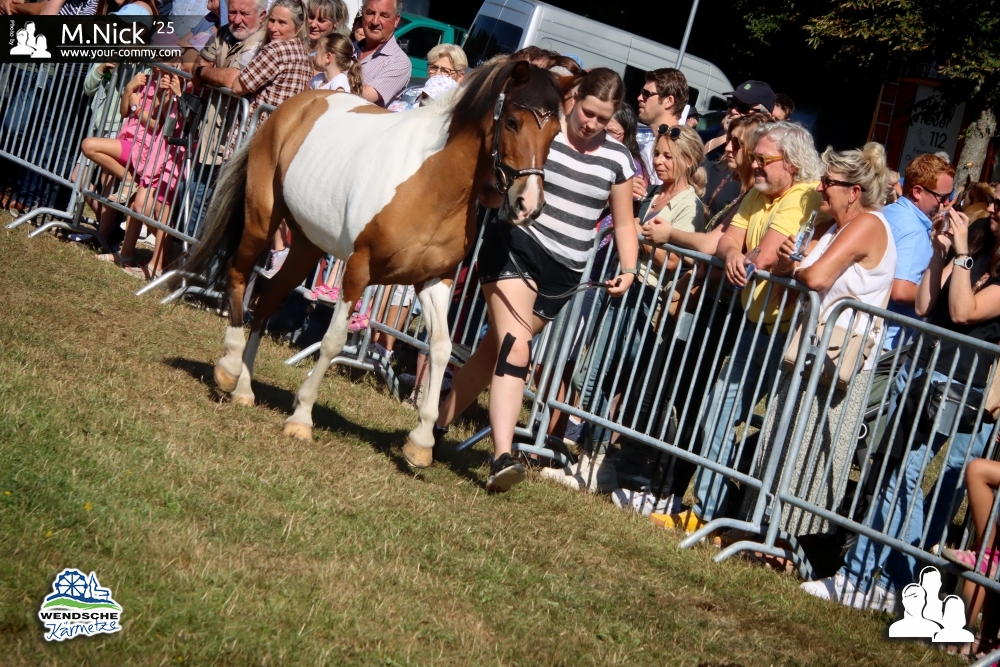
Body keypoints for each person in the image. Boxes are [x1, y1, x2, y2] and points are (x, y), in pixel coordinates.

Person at [433, 68, 640, 493]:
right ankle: (502, 457)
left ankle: (433, 427)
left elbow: (623, 222)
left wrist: (629, 268)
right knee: (517, 347)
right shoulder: (547, 132)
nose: (592, 124)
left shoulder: (619, 159)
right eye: (587, 112)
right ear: (574, 98)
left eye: (603, 119)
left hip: (565, 272)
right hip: (516, 245)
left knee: (494, 352)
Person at [801, 188, 1000, 612]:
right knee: (892, 468)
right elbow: (928, 305)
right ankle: (889, 582)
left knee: (903, 474)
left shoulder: (981, 256)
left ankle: (877, 580)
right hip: (922, 366)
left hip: (955, 383)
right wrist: (939, 254)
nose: (991, 208)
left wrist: (962, 255)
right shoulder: (981, 241)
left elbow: (963, 312)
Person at [654, 121, 824, 533]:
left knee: (741, 418)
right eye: (756, 157)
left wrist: (743, 254)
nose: (756, 165)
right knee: (717, 409)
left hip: (787, 333)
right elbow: (727, 241)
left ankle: (723, 513)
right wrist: (733, 255)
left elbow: (764, 256)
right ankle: (713, 510)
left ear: (792, 163)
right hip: (756, 323)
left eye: (764, 159)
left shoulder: (803, 196)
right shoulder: (759, 192)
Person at [546, 124, 706, 494]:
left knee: (597, 377)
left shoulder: (690, 205)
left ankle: (598, 463)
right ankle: (593, 461)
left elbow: (673, 262)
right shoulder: (654, 194)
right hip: (620, 285)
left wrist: (635, 232)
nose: (659, 161)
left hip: (644, 299)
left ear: (688, 161)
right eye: (658, 154)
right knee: (589, 376)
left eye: (668, 156)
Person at [750, 143, 896, 537]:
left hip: (840, 362)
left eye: (829, 182)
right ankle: (761, 528)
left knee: (809, 451)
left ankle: (790, 542)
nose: (820, 188)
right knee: (781, 438)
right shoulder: (832, 226)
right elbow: (798, 269)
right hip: (810, 348)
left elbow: (815, 277)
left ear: (854, 192)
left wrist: (797, 268)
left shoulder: (869, 224)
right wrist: (789, 263)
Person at [881, 154, 956, 351]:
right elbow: (902, 291)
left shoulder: (889, 211)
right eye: (942, 198)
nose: (946, 204)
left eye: (950, 197)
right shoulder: (915, 232)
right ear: (917, 192)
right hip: (888, 345)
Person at [354, 0, 412, 107]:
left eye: (384, 16)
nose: (375, 22)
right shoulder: (348, 48)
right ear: (363, 14)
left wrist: (331, 84)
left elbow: (362, 96)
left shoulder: (399, 62)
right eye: (370, 13)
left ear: (396, 20)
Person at [636, 68, 688, 187]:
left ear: (668, 101)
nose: (640, 98)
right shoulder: (653, 143)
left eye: (646, 94)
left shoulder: (676, 148)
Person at [702, 80, 776, 158]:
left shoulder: (767, 159)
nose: (733, 110)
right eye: (732, 103)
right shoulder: (712, 145)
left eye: (743, 107)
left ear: (765, 118)